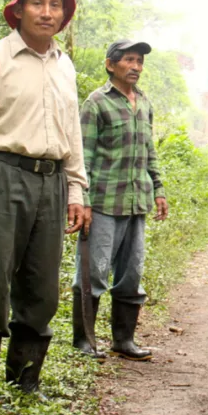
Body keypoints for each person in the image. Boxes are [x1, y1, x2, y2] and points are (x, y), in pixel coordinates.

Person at [0, 0, 87, 395]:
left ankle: (25, 381)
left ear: (63, 16)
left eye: (55, 6)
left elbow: (72, 134)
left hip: (50, 183)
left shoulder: (65, 65)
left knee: (42, 288)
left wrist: (76, 189)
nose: (47, 13)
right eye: (38, 4)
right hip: (2, 176)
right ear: (19, 10)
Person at [72, 39, 168, 361]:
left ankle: (123, 340)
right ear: (111, 64)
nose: (136, 67)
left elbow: (149, 151)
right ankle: (84, 341)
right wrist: (81, 200)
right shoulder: (95, 103)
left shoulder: (143, 103)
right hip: (101, 203)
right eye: (129, 60)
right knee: (93, 274)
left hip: (136, 202)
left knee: (131, 274)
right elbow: (82, 158)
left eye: (139, 61)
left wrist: (159, 189)